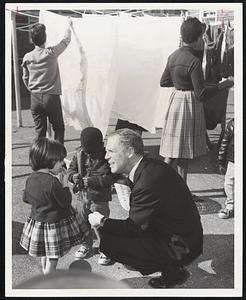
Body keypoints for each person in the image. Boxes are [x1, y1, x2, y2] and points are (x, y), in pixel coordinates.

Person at [88, 129, 203, 288]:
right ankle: (173, 271)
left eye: (111, 151)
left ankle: (171, 268)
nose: (106, 156)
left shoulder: (147, 181)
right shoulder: (149, 165)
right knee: (125, 234)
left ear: (130, 151)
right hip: (184, 234)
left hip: (182, 246)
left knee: (112, 242)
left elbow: (132, 227)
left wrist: (101, 221)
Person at [159, 17, 233, 185]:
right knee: (181, 151)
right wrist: (223, 85)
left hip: (176, 100)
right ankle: (163, 186)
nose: (203, 41)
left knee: (175, 150)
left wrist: (181, 82)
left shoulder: (173, 56)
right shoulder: (193, 61)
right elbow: (201, 94)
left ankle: (175, 187)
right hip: (189, 104)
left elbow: (164, 82)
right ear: (197, 38)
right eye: (202, 37)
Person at [20, 138, 85, 274]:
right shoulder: (52, 182)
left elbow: (26, 198)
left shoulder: (30, 178)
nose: (62, 163)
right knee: (53, 257)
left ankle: (45, 273)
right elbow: (65, 203)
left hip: (38, 222)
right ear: (49, 160)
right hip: (53, 225)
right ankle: (49, 279)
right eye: (60, 160)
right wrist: (65, 184)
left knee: (45, 251)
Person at [21, 18, 73, 144]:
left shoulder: (27, 57)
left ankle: (37, 160)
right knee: (59, 128)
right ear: (45, 38)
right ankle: (57, 160)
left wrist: (32, 90)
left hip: (35, 98)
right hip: (51, 97)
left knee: (40, 131)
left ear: (32, 40)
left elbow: (25, 77)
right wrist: (69, 26)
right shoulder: (51, 52)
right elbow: (66, 40)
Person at [68, 127, 113, 265]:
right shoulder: (79, 153)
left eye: (92, 152)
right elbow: (71, 168)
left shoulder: (107, 156)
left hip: (99, 199)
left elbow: (112, 176)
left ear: (100, 145)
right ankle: (86, 244)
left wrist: (95, 181)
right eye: (86, 151)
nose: (88, 154)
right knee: (82, 223)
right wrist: (72, 176)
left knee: (100, 224)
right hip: (81, 197)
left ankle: (106, 249)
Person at [217, 118, 234, 219]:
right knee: (229, 183)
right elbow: (224, 143)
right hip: (233, 159)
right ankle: (230, 206)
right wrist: (221, 160)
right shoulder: (233, 124)